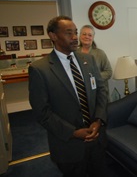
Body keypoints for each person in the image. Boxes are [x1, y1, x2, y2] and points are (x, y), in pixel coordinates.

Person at [28, 16, 108, 177]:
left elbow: (101, 90)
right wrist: (73, 132)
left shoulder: (89, 59)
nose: (74, 37)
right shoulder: (40, 69)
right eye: (68, 33)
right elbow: (42, 112)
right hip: (68, 146)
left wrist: (98, 120)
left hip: (97, 139)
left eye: (75, 32)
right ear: (53, 36)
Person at [77, 25, 112, 101]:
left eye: (90, 35)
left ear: (93, 37)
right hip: (81, 94)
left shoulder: (100, 53)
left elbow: (109, 72)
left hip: (98, 94)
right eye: (84, 34)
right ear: (80, 36)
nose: (86, 37)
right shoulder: (74, 53)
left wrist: (92, 78)